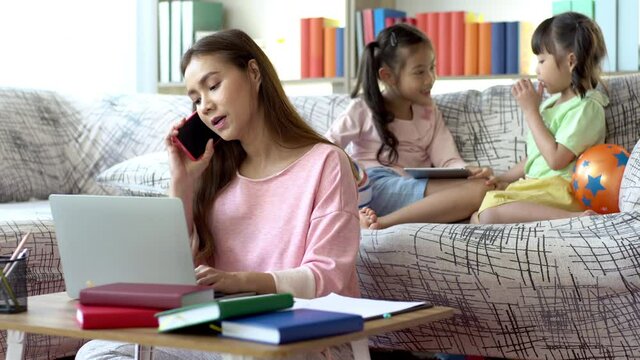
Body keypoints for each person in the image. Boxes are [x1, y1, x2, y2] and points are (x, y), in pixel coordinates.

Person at [76, 29, 360, 360]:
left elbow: (326, 277)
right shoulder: (216, 174)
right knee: (99, 352)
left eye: (213, 86)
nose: (206, 106)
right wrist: (181, 183)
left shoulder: (326, 163)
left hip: (302, 335)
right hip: (219, 333)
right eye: (195, 100)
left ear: (254, 73)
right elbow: (175, 275)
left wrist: (237, 280)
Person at [325, 23, 493, 230]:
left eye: (432, 68)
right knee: (479, 193)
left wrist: (468, 171)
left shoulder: (429, 112)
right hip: (375, 186)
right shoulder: (363, 108)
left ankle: (384, 220)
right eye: (419, 72)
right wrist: (351, 176)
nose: (430, 79)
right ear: (388, 76)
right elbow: (326, 146)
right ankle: (382, 224)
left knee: (483, 187)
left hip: (411, 185)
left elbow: (447, 159)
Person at [473, 11, 608, 224]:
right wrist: (503, 177)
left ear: (571, 61)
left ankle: (575, 219)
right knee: (478, 216)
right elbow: (536, 156)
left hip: (561, 189)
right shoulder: (548, 104)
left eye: (542, 60)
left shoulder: (586, 108)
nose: (537, 70)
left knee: (489, 213)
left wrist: (531, 112)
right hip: (538, 185)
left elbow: (555, 160)